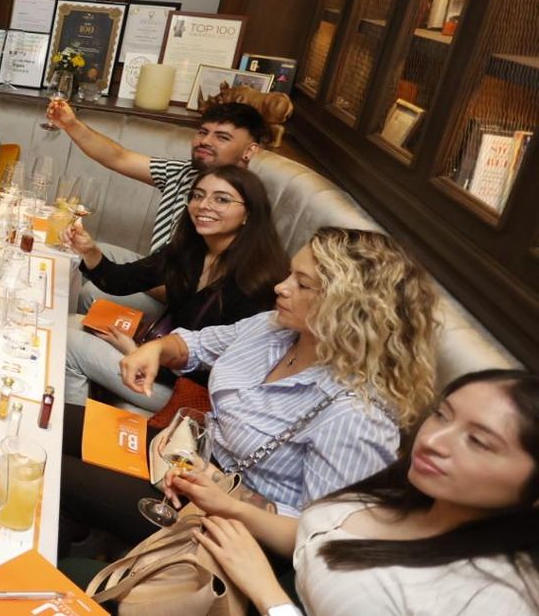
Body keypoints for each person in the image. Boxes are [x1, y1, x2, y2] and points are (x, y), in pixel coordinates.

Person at [59, 227, 440, 544]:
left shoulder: (357, 415)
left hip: (223, 519)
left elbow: (322, 535)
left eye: (302, 283)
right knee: (47, 426)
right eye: (290, 274)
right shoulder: (273, 328)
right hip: (184, 454)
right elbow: (198, 345)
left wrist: (228, 502)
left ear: (351, 309)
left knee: (56, 474)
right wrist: (158, 348)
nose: (281, 287)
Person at [182, 369, 539, 615]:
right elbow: (320, 537)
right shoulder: (408, 493)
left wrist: (268, 595)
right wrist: (232, 507)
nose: (433, 441)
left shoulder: (497, 597)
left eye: (478, 441)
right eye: (442, 415)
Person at [63, 165, 287, 410]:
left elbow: (222, 370)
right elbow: (122, 281)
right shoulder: (192, 250)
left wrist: (139, 351)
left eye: (221, 199)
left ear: (249, 214)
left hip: (192, 394)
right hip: (163, 360)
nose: (204, 205)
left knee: (68, 343)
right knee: (68, 322)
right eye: (198, 195)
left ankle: (73, 429)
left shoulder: (254, 282)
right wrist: (90, 251)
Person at [46, 99, 269, 315]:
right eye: (202, 132)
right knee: (82, 255)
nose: (206, 141)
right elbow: (118, 157)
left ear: (249, 151)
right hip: (159, 268)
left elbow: (196, 292)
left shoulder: (242, 203)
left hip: (176, 299)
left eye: (222, 137)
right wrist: (71, 124)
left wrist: (136, 278)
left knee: (92, 292)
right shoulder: (183, 172)